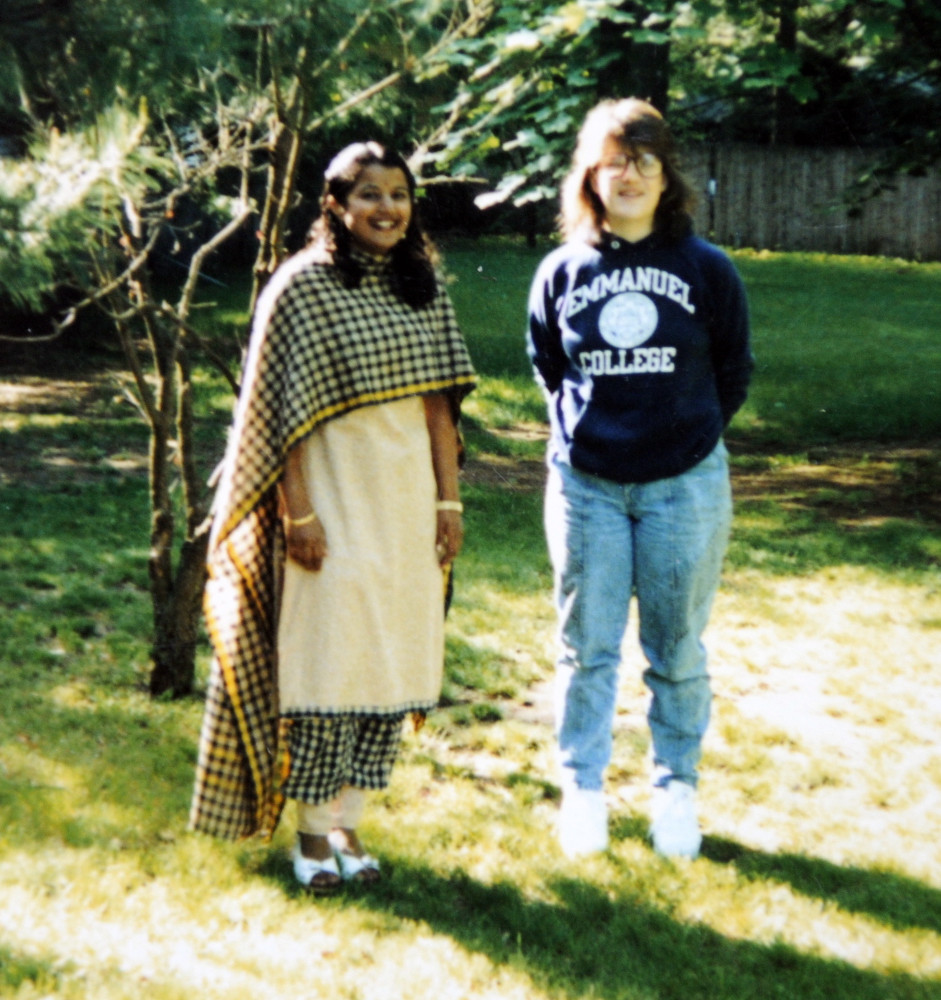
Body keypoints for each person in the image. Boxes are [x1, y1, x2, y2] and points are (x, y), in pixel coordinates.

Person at [190, 142, 476, 893]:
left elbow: (439, 410)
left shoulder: (423, 286)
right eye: (369, 195)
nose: (386, 209)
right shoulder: (301, 287)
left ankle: (349, 819)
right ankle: (311, 838)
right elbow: (277, 419)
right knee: (327, 662)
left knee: (392, 662)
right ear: (336, 206)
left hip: (408, 503)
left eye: (399, 195)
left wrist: (448, 503)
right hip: (329, 502)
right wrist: (298, 515)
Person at [527, 99, 754, 859]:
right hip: (586, 486)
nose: (628, 174)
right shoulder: (560, 271)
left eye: (644, 160)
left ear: (666, 176)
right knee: (586, 648)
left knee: (676, 649)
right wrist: (591, 437)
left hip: (681, 487)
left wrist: (683, 438)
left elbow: (732, 370)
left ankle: (674, 792)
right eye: (613, 160)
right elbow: (548, 367)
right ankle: (582, 790)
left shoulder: (706, 269)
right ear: (590, 175)